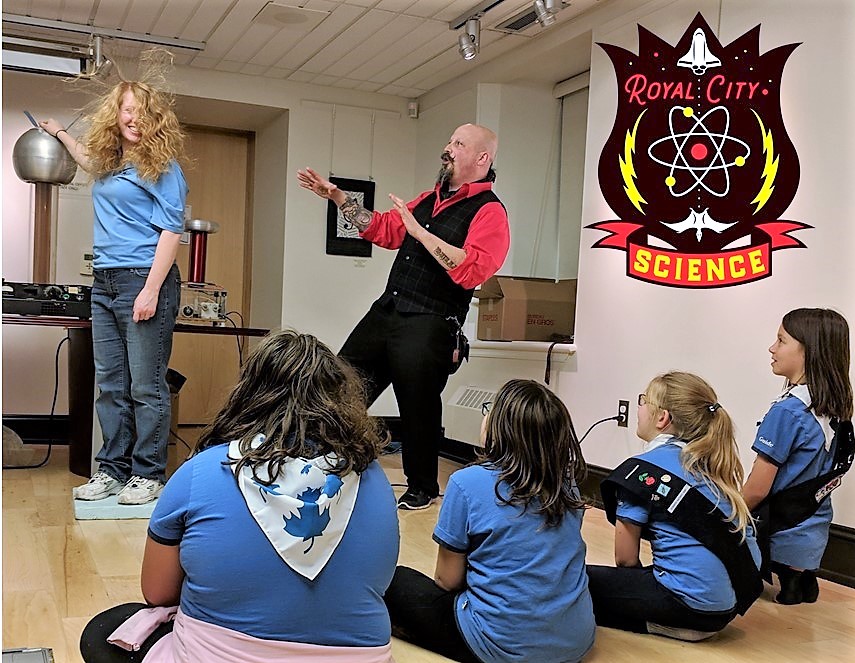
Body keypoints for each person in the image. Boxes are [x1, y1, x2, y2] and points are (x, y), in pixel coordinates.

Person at [78, 330, 400, 662]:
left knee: (107, 629)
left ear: (248, 394)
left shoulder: (201, 470)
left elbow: (158, 593)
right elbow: (379, 580)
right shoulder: (374, 477)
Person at [297, 123, 510, 510]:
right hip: (389, 309)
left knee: (417, 404)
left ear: (482, 158)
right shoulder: (429, 199)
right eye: (449, 140)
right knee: (340, 383)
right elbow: (384, 230)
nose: (448, 148)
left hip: (432, 320)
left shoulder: (490, 212)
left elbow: (472, 270)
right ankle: (318, 461)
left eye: (458, 143)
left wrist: (421, 233)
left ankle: (422, 487)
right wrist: (338, 197)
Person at [41, 79, 187, 505]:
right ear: (115, 115)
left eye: (143, 112)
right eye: (127, 110)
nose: (134, 119)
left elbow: (171, 231)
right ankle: (112, 470)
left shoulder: (162, 167)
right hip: (104, 281)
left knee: (145, 385)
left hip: (144, 278)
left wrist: (151, 290)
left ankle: (149, 474)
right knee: (110, 385)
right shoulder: (109, 163)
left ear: (155, 119)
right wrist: (58, 132)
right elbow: (86, 159)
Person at [383, 379, 596, 663]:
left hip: (501, 647)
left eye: (489, 410)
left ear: (499, 427)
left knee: (396, 581)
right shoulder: (566, 483)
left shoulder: (466, 483)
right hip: (577, 642)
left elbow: (447, 580)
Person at [587, 372, 762, 641]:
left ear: (662, 418)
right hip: (725, 609)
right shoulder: (711, 464)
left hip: (687, 607)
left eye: (644, 400)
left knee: (575, 582)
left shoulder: (642, 472)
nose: (639, 407)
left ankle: (667, 624)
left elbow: (625, 560)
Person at [742, 309, 853, 604]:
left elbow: (758, 488)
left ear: (809, 351)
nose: (772, 348)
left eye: (781, 340)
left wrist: (730, 512)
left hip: (781, 528)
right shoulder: (837, 408)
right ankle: (802, 579)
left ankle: (788, 582)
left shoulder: (787, 412)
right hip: (812, 531)